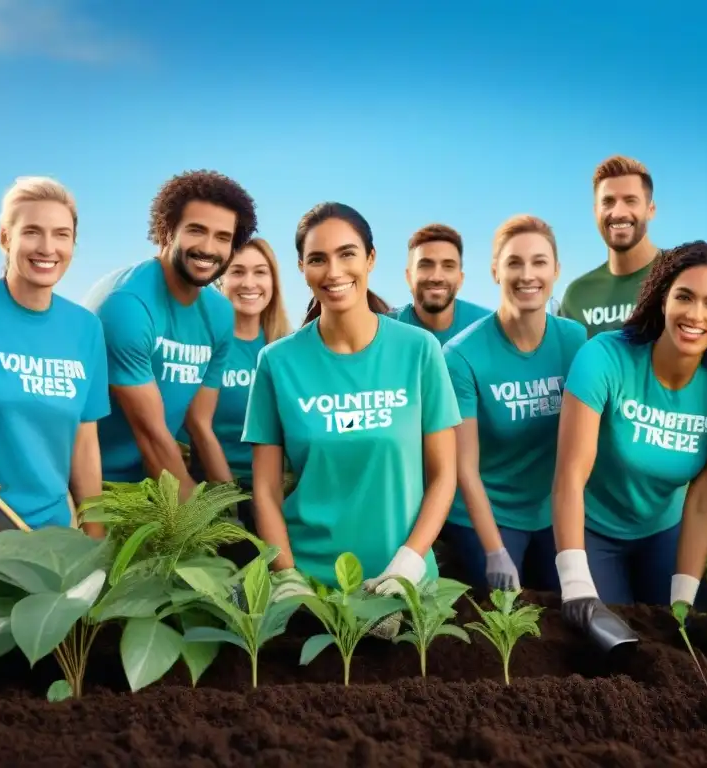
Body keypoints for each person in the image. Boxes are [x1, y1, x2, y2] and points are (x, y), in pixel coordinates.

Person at [242, 202, 461, 599]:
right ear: (301, 268)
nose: (334, 271)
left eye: (347, 254)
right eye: (317, 259)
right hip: (310, 584)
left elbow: (444, 474)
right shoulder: (276, 362)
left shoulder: (419, 351)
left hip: (403, 581)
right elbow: (266, 491)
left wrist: (409, 563)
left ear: (371, 258)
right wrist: (287, 577)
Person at [551, 241, 707, 627]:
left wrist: (681, 601)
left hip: (665, 534)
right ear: (664, 299)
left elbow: (701, 504)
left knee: (686, 647)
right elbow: (569, 475)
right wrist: (575, 580)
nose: (695, 314)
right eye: (685, 297)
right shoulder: (604, 357)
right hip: (592, 530)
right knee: (609, 645)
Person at [0, 177, 109, 608]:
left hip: (52, 537)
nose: (47, 248)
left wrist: (95, 541)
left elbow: (85, 441)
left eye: (61, 235)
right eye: (32, 231)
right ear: (5, 237)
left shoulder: (85, 329)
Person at [82, 170, 258, 496]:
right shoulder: (126, 307)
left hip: (159, 479)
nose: (208, 248)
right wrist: (203, 522)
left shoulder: (219, 313)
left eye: (223, 237)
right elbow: (151, 436)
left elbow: (200, 425)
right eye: (196, 231)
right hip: (97, 486)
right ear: (166, 231)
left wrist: (232, 504)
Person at [441, 215, 586, 592]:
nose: (527, 275)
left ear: (556, 270)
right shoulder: (462, 355)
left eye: (539, 262)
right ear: (494, 271)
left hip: (552, 509)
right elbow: (465, 469)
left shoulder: (575, 341)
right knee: (504, 614)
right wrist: (494, 550)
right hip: (488, 511)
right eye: (513, 263)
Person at [188, 238, 290, 563]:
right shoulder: (207, 344)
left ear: (273, 281)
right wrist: (229, 502)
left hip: (280, 489)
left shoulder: (286, 347)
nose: (249, 283)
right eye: (238, 272)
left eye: (260, 272)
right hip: (219, 488)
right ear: (221, 280)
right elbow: (196, 427)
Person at [557, 156, 662, 338]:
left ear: (650, 210)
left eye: (630, 200)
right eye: (608, 201)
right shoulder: (577, 296)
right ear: (595, 211)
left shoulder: (680, 278)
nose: (619, 212)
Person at [389, 223, 491, 344]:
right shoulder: (384, 330)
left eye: (448, 266)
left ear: (460, 279)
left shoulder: (489, 328)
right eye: (425, 265)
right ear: (408, 277)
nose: (436, 277)